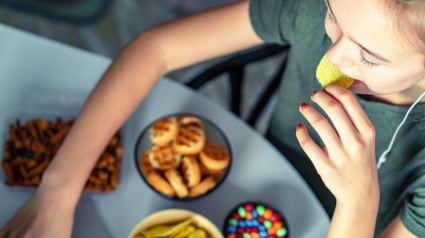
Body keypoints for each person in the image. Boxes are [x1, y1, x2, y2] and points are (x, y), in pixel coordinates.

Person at [1, 0, 424, 237]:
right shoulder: (312, 11)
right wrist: (56, 191)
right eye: (334, 15)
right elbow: (157, 49)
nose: (332, 57)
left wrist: (358, 199)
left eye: (368, 56)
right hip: (257, 184)